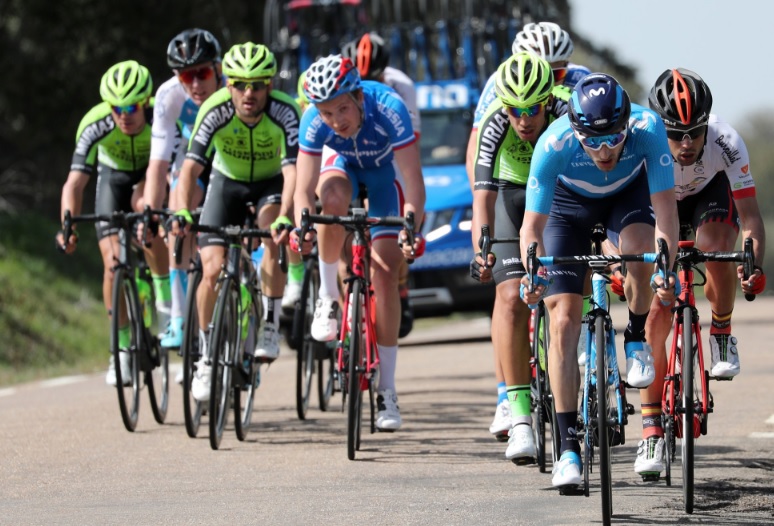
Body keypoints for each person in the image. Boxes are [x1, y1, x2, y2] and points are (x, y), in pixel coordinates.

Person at [518, 73, 680, 489]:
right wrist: (532, 274)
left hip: (627, 197)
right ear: (575, 131)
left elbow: (666, 215)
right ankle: (568, 447)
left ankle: (637, 336)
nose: (605, 150)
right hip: (567, 207)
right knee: (563, 318)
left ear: (628, 123)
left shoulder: (648, 129)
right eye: (592, 140)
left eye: (613, 138)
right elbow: (531, 231)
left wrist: (665, 266)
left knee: (641, 251)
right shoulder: (553, 144)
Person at [626, 68, 767, 479]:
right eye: (676, 134)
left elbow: (753, 221)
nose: (687, 144)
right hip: (659, 201)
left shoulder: (726, 141)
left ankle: (721, 332)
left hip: (709, 196)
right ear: (658, 127)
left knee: (717, 246)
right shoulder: (640, 143)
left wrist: (751, 266)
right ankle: (651, 427)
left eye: (695, 132)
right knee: (656, 313)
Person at [464, 20, 589, 442]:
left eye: (558, 71)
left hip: (560, 190)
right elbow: (480, 189)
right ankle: (511, 402)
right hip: (511, 191)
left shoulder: (573, 93)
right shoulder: (499, 100)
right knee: (508, 294)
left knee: (565, 292)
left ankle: (583, 355)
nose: (523, 116)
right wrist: (480, 245)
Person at [291, 55, 426, 431]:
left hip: (386, 177)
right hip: (342, 168)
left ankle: (387, 390)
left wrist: (410, 225)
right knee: (330, 201)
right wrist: (302, 226)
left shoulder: (390, 109)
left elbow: (414, 183)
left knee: (383, 276)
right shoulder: (313, 123)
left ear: (359, 97)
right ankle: (328, 297)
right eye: (326, 113)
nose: (336, 120)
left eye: (342, 109)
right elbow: (303, 190)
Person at [170, 42, 301, 402]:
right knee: (210, 270)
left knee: (272, 232)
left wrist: (286, 215)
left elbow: (293, 173)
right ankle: (207, 357)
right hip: (226, 184)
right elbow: (190, 169)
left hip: (271, 184)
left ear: (270, 85)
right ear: (227, 85)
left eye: (258, 85)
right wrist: (181, 209)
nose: (249, 93)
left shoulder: (286, 112)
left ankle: (270, 325)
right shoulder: (213, 111)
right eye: (240, 84)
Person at [56, 60, 170, 386]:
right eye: (117, 107)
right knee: (112, 265)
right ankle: (120, 348)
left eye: (132, 106)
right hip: (112, 180)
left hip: (149, 177)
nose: (124, 114)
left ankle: (163, 303)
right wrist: (68, 227)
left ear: (145, 103)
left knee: (146, 223)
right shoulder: (94, 124)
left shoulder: (159, 120)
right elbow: (74, 184)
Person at [144, 28, 224, 356]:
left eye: (202, 73)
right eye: (185, 75)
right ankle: (179, 315)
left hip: (232, 156)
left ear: (218, 69)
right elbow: (158, 165)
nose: (194, 83)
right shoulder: (168, 97)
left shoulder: (237, 87)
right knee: (178, 209)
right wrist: (151, 212)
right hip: (192, 158)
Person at [342, 31, 421, 338]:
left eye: (372, 76)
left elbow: (411, 145)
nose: (365, 84)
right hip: (352, 161)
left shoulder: (401, 87)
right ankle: (341, 303)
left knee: (396, 228)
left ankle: (399, 283)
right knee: (338, 225)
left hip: (390, 159)